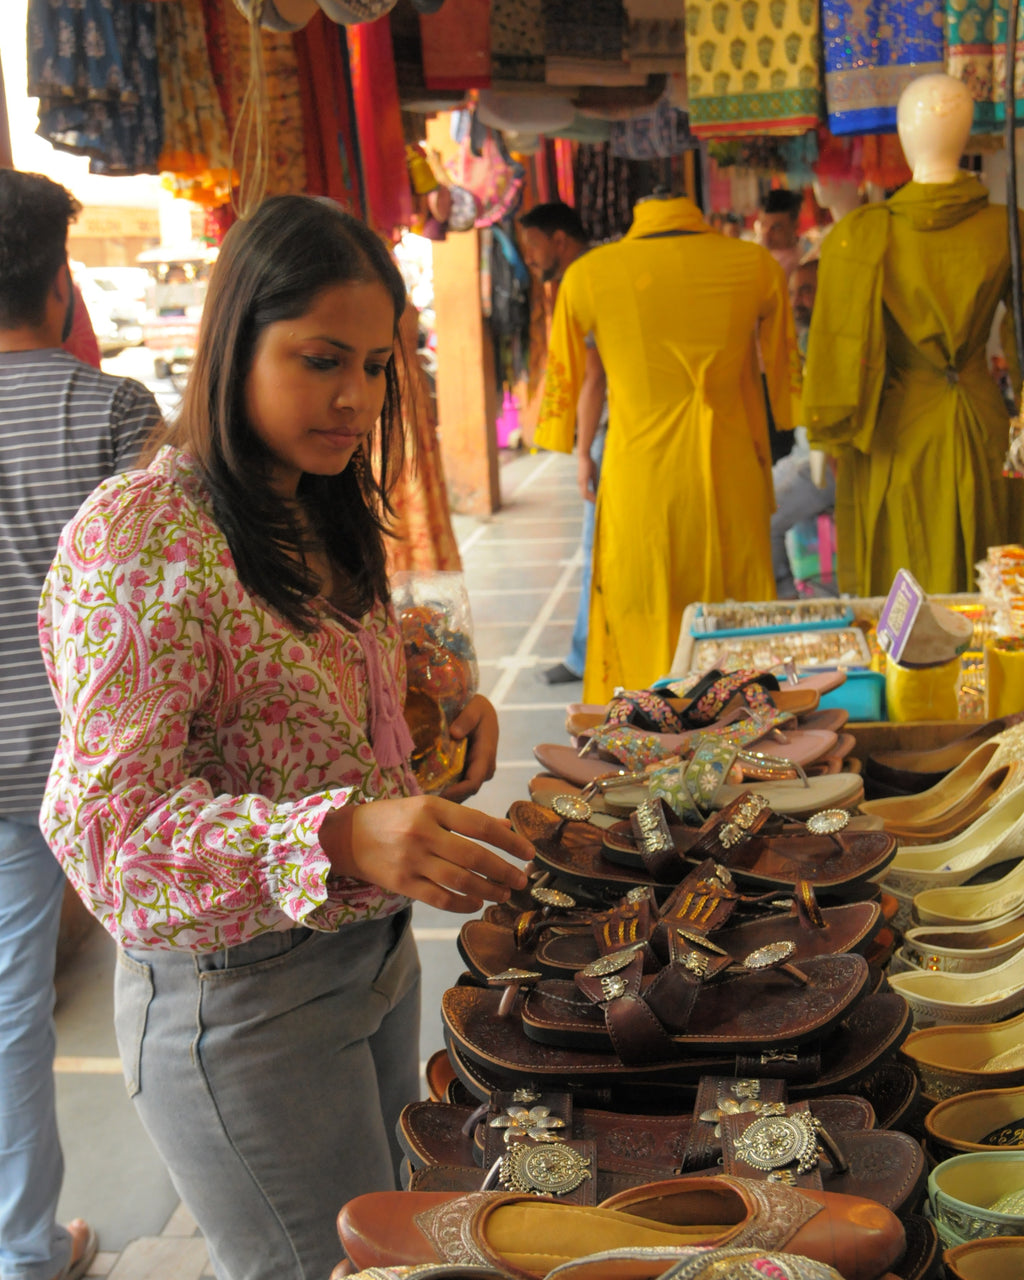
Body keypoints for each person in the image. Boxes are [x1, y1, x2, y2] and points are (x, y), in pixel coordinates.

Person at [37, 194, 532, 1280]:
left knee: (382, 1252)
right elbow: (109, 837)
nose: (354, 396)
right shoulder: (141, 534)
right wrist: (343, 837)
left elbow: (308, 723)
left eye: (372, 364)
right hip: (240, 995)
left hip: (369, 962)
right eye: (319, 360)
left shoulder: (313, 500)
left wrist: (442, 727)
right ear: (233, 340)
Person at [0, 170, 162, 1280]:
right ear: (63, 284)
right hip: (111, 764)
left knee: (11, 1010)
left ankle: (21, 1247)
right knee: (175, 981)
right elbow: (162, 598)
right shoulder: (115, 410)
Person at [536, 191, 795, 702]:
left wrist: (577, 448)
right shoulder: (755, 266)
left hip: (640, 475)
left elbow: (569, 376)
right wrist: (787, 420)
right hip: (731, 469)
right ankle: (745, 736)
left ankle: (647, 735)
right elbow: (783, 372)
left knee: (646, 608)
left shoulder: (588, 275)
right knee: (732, 607)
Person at [804, 73, 1024, 595]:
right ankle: (986, 679)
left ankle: (913, 678)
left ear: (902, 137)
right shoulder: (1010, 225)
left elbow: (836, 345)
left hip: (893, 433)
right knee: (987, 580)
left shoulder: (857, 236)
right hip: (984, 429)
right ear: (967, 134)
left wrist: (825, 439)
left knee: (903, 581)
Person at [519, 201, 608, 686]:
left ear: (559, 240)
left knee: (595, 544)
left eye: (533, 247)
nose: (530, 259)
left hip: (616, 432)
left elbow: (594, 375)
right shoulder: (602, 271)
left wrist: (582, 451)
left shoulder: (588, 279)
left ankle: (583, 656)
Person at [769, 258, 837, 598]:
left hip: (829, 465)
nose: (796, 301)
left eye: (806, 291)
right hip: (805, 457)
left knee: (762, 518)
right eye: (792, 292)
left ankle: (785, 605)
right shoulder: (807, 342)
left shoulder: (836, 341)